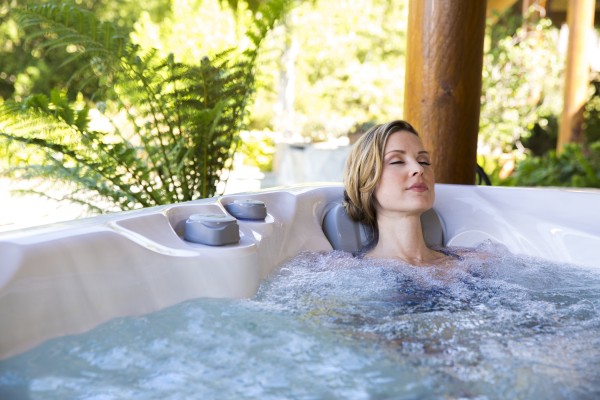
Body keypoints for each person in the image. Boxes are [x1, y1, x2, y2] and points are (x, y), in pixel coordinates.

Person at [343, 120, 453, 265]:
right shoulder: (348, 271)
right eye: (397, 161)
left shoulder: (471, 262)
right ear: (366, 180)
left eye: (424, 161)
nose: (419, 169)